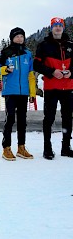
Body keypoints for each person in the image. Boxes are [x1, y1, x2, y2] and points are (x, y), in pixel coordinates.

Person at [33, 17, 73, 160]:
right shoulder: (44, 45)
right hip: (51, 88)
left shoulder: (70, 45)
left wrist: (71, 72)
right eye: (55, 25)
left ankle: (66, 147)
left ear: (63, 28)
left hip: (68, 87)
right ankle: (47, 148)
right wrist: (52, 72)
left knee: (68, 118)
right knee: (48, 118)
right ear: (51, 28)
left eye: (60, 25)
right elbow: (36, 65)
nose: (57, 28)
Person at [0, 27, 36, 161]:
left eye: (21, 36)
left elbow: (31, 74)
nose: (19, 38)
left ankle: (21, 147)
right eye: (17, 36)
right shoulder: (6, 52)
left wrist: (32, 92)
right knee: (10, 118)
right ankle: (6, 148)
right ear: (12, 38)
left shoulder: (27, 53)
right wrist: (5, 69)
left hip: (23, 92)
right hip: (10, 91)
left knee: (22, 121)